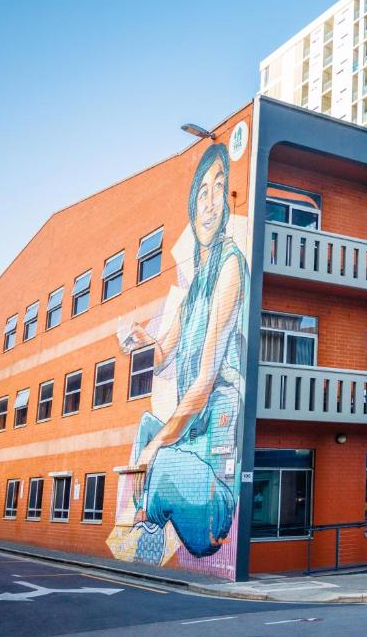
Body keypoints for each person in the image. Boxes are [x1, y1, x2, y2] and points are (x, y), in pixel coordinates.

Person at [119, 143, 248, 560]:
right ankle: (145, 516)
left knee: (160, 453)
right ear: (193, 204)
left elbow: (206, 380)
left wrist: (159, 445)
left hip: (213, 496)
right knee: (143, 426)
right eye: (203, 192)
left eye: (220, 188)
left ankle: (147, 525)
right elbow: (163, 353)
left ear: (228, 201)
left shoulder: (230, 267)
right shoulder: (195, 285)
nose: (211, 203)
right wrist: (139, 340)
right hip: (188, 454)